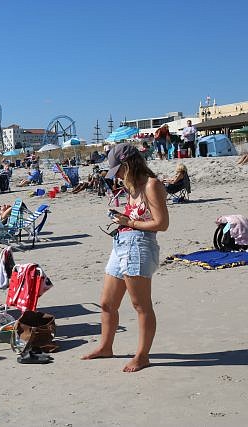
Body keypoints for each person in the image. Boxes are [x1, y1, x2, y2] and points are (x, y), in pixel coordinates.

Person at [82, 143, 169, 372]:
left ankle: (142, 355)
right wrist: (124, 219)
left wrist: (128, 222)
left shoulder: (152, 185)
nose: (118, 175)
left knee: (141, 305)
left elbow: (162, 224)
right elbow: (138, 217)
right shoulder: (132, 187)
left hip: (139, 245)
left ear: (129, 165)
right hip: (121, 244)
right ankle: (105, 346)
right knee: (107, 303)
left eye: (119, 170)